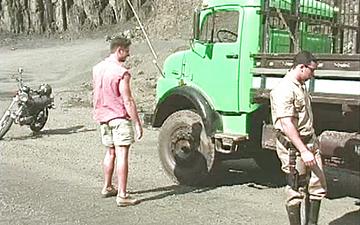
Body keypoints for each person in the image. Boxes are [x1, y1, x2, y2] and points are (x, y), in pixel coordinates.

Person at [270, 51, 327, 225]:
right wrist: (303, 150)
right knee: (296, 189)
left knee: (317, 186)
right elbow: (287, 124)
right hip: (294, 148)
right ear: (302, 67)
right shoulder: (284, 89)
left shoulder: (300, 85)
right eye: (312, 70)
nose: (313, 75)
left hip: (309, 143)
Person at [92, 36, 143, 207]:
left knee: (110, 152)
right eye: (127, 51)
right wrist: (137, 123)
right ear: (119, 50)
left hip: (103, 117)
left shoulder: (97, 68)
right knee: (122, 155)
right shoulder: (121, 72)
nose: (128, 55)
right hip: (119, 117)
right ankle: (122, 195)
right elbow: (128, 100)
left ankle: (107, 187)